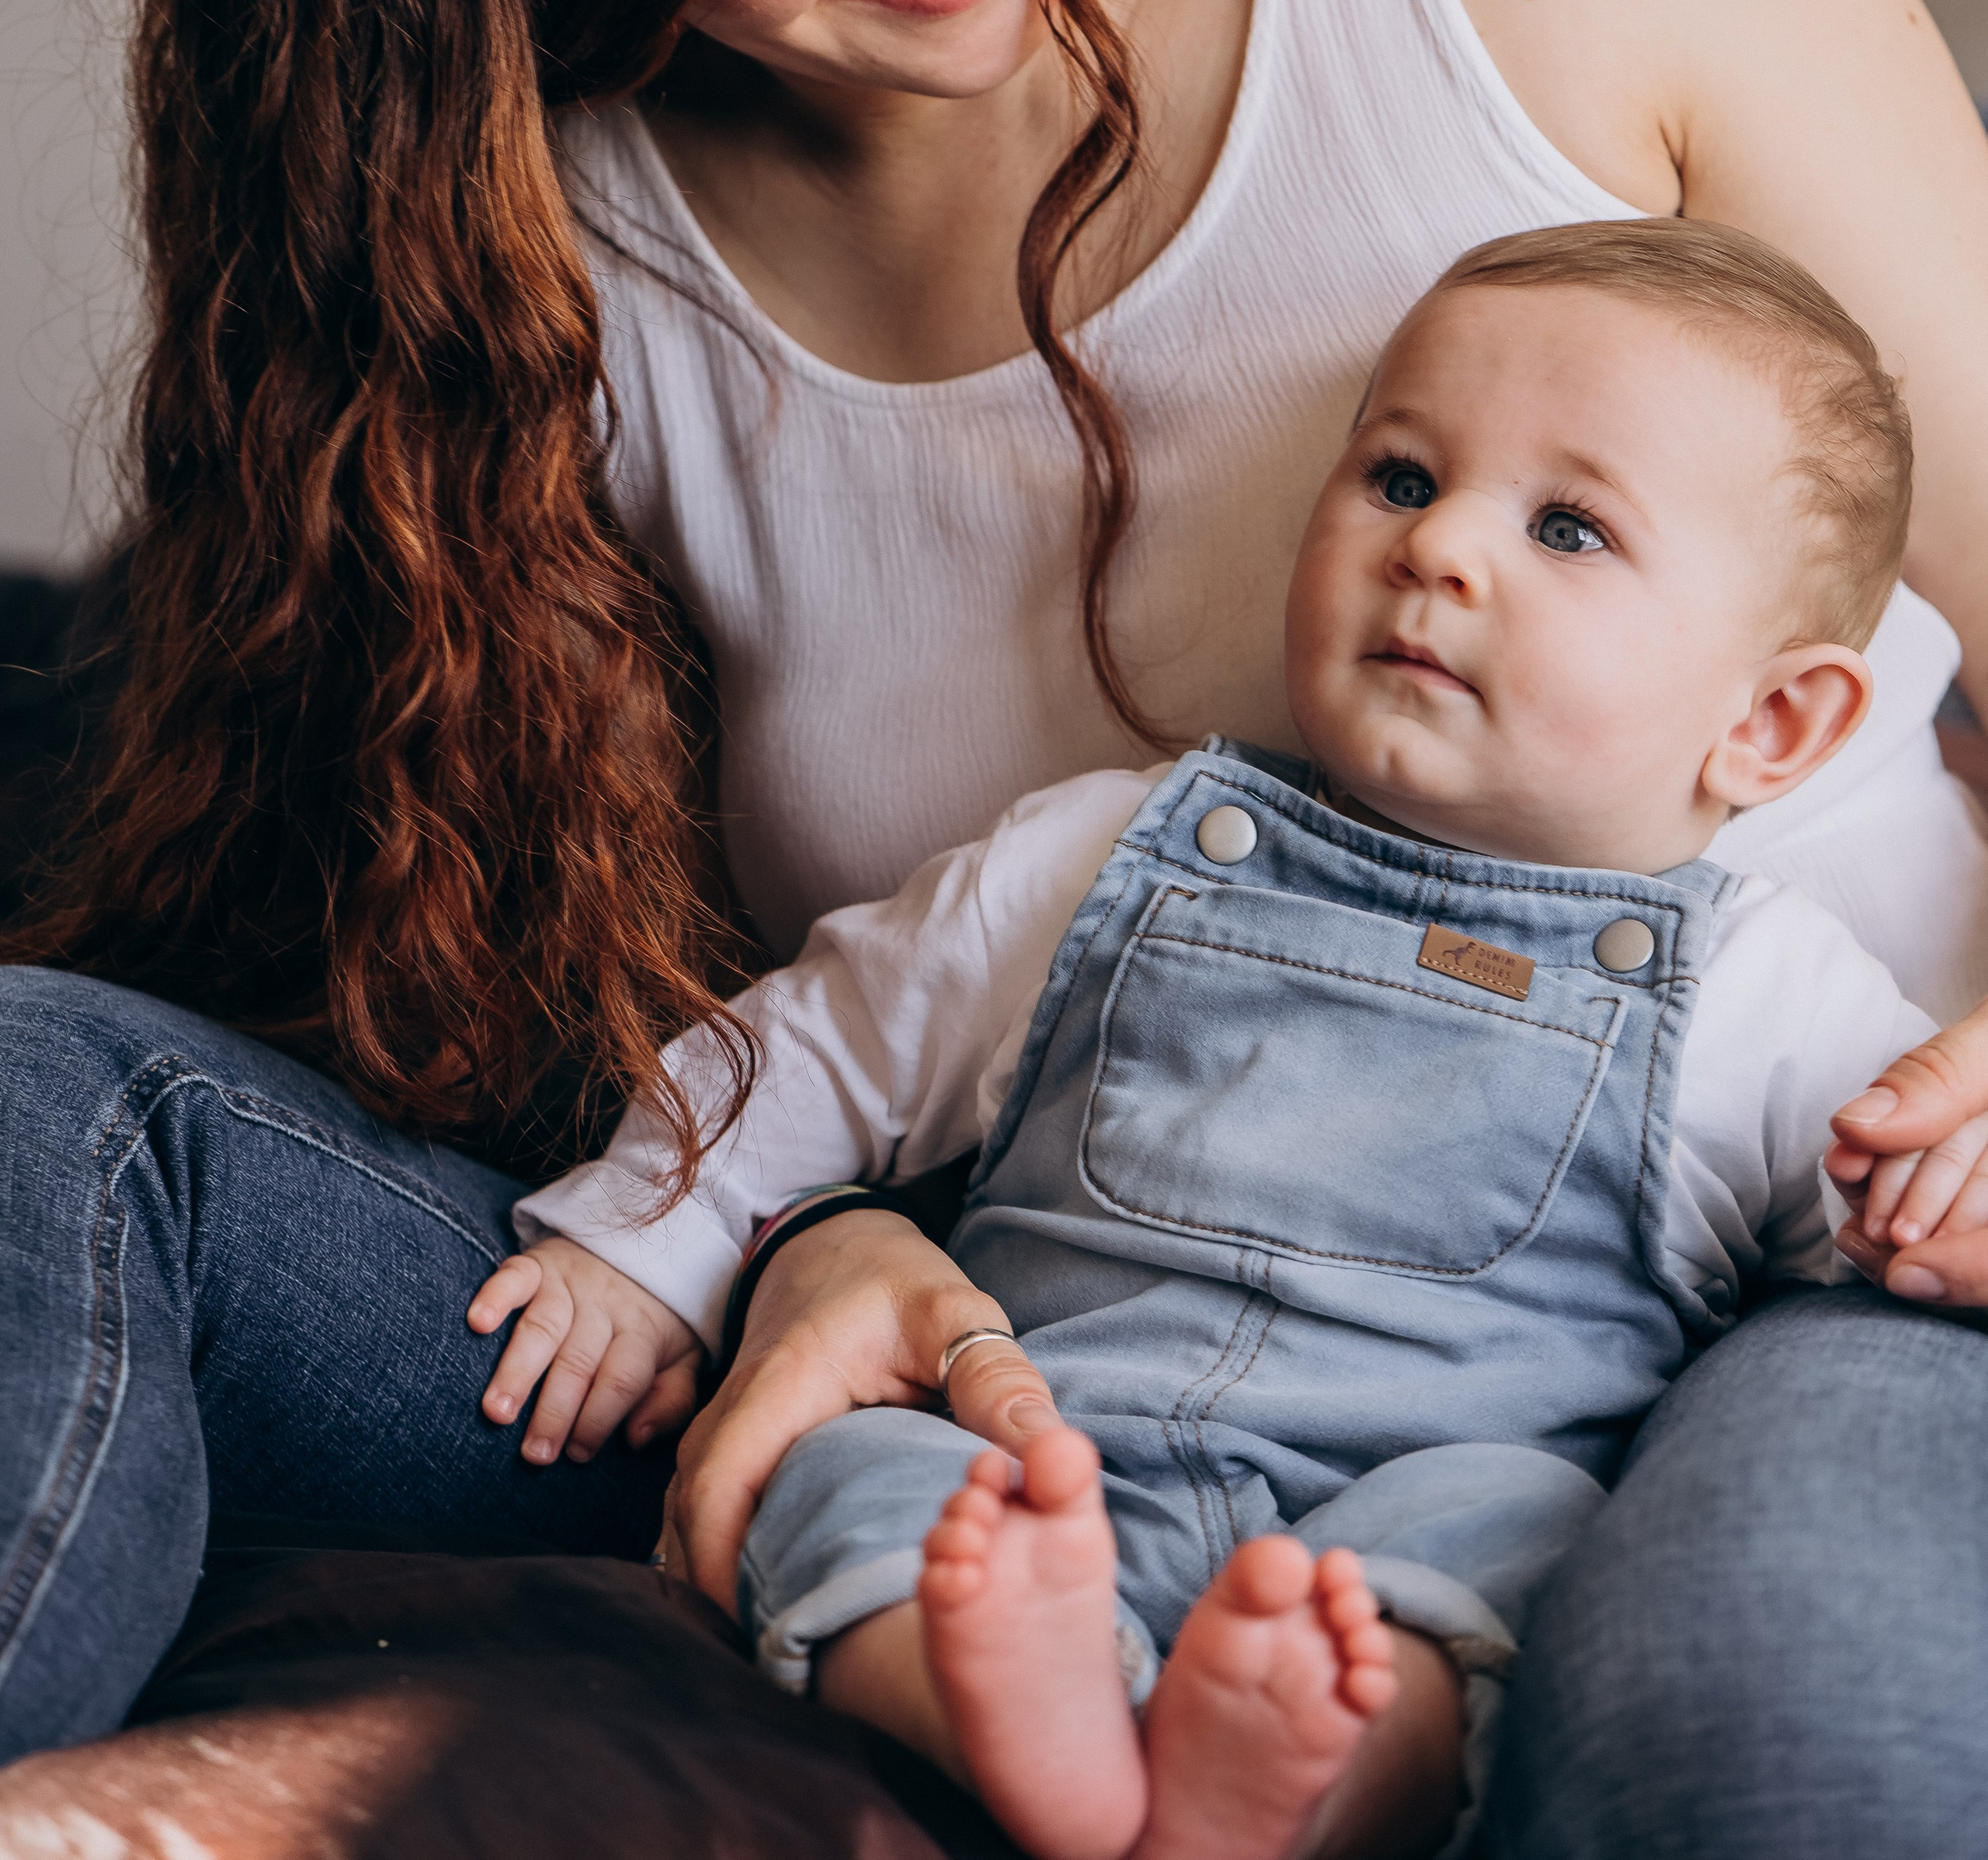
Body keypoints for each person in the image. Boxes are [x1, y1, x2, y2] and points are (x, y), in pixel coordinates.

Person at [4, 0, 1988, 1851]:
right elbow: (596, 1005)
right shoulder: (512, 257)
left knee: (1763, 1720)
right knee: (48, 1100)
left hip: (1777, 1267)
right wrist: (815, 1246)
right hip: (988, 1333)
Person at [477, 221, 1946, 1860]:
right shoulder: (1108, 852)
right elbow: (827, 1044)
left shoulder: (1765, 996)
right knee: (845, 1467)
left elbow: (1916, 1199)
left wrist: (1955, 1202)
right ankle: (1016, 1719)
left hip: (1402, 1529)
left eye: (1565, 527)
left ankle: (1299, 1790)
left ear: (1768, 723)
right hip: (1039, 1463)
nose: (1439, 546)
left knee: (1524, 1530)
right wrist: (648, 1240)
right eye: (1400, 478)